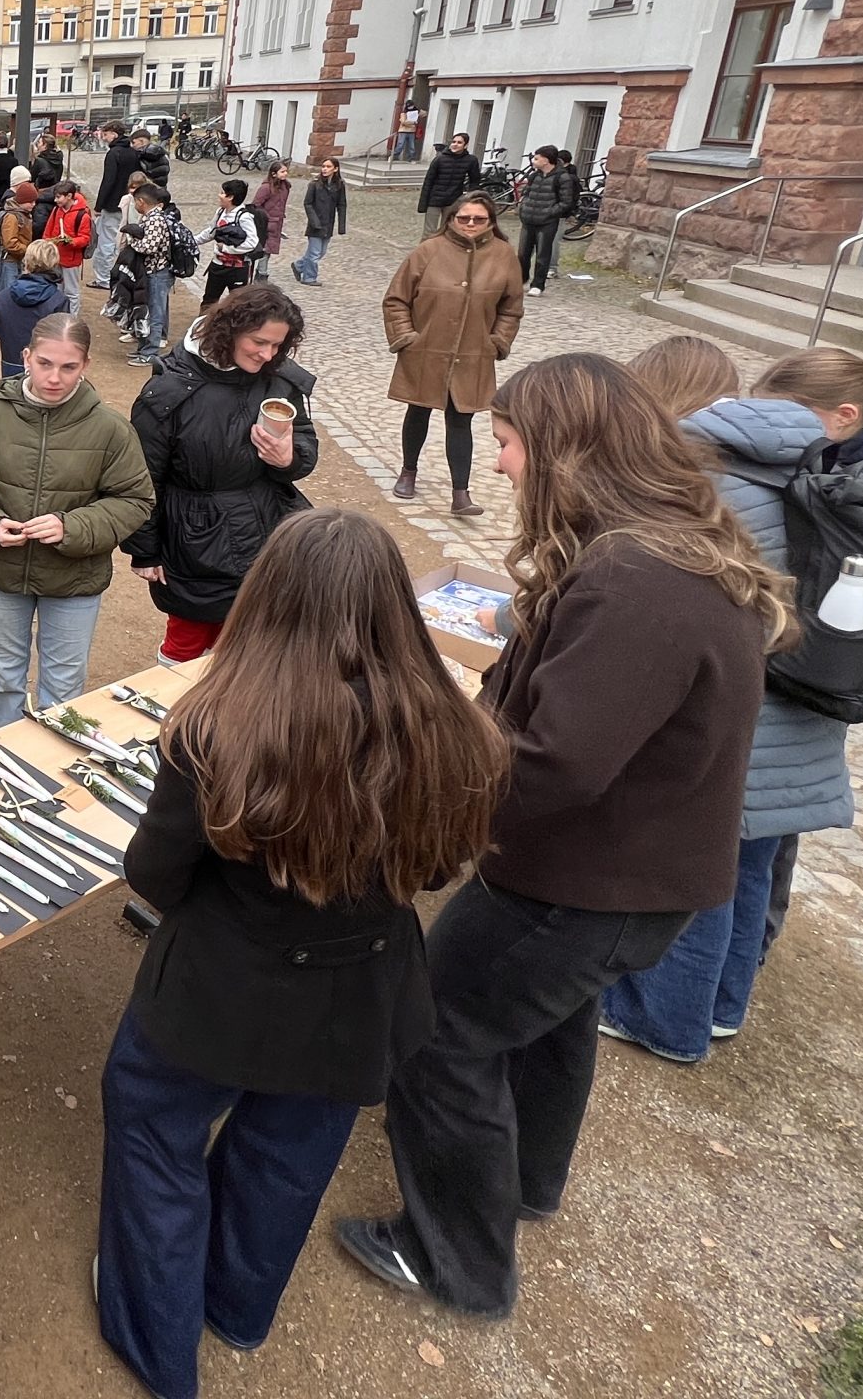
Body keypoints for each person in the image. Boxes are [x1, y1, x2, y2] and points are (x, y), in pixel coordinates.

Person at [338, 353, 791, 1320]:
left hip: (584, 885)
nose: (499, 465)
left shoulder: (636, 579)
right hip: (629, 878)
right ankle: (528, 1181)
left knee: (436, 1032)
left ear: (568, 452)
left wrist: (419, 794)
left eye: (506, 444)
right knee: (549, 1024)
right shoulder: (648, 548)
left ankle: (455, 1258)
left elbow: (554, 763)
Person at [100, 511, 509, 1399]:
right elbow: (438, 865)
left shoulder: (215, 727)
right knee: (288, 1153)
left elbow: (156, 875)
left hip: (219, 992)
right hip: (359, 996)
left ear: (267, 601)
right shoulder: (453, 728)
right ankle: (238, 1309)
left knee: (155, 1137)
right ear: (396, 609)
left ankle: (160, 1345)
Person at [581, 337, 845, 1064]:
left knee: (696, 874)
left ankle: (668, 1021)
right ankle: (724, 1006)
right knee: (750, 865)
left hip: (741, 710)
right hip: (795, 700)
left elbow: (654, 590)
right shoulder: (805, 460)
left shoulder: (703, 477)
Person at [0, 315, 153, 731]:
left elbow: (135, 499)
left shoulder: (110, 430)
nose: (54, 377)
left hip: (75, 578)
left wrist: (70, 528)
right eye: (44, 363)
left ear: (86, 366)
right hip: (1, 572)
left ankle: (54, 770)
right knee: (3, 679)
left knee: (63, 685)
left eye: (68, 367)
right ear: (26, 357)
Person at [125, 280, 317, 669]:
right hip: (195, 535)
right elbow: (141, 478)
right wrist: (144, 549)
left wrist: (289, 458)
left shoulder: (279, 378)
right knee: (189, 638)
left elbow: (306, 442)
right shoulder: (170, 391)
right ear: (230, 330)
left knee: (253, 644)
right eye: (259, 342)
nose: (267, 354)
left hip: (268, 527)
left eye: (278, 345)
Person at [381, 192, 524, 517]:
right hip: (425, 351)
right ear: (452, 219)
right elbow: (396, 299)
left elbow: (511, 308)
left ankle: (461, 493)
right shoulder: (427, 251)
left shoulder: (503, 256)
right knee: (417, 412)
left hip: (474, 355)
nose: (471, 224)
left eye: (479, 219)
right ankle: (408, 472)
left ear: (490, 222)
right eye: (464, 218)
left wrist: (497, 341)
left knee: (461, 421)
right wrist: (407, 337)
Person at [0, 238, 72, 380]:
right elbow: (62, 338)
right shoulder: (59, 300)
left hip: (10, 360)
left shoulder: (3, 296)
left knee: (10, 398)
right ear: (54, 263)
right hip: (44, 364)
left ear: (27, 261)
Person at [122, 183, 183, 367]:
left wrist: (131, 241)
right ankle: (143, 348)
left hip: (157, 273)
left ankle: (150, 353)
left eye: (135, 202)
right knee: (146, 311)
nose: (134, 206)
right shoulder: (150, 217)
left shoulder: (155, 220)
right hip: (150, 273)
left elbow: (149, 247)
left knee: (155, 313)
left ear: (141, 201)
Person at [512, 147, 579, 296]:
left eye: (536, 158)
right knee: (523, 253)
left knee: (543, 253)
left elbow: (566, 201)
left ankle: (538, 284)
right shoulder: (534, 176)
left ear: (546, 160)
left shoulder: (562, 178)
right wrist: (523, 207)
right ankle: (521, 279)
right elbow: (526, 193)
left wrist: (549, 212)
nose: (533, 161)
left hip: (547, 222)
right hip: (528, 219)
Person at [197, 179, 264, 310]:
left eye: (222, 193)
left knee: (238, 305)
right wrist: (191, 241)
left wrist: (227, 248)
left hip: (237, 269)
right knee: (209, 301)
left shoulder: (244, 217)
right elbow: (211, 232)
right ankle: (204, 327)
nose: (219, 195)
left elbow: (252, 242)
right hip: (217, 266)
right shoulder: (220, 212)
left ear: (230, 197)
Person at [94, 119, 142, 280]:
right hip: (130, 202)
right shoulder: (132, 152)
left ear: (114, 134)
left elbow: (108, 181)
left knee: (107, 240)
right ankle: (124, 273)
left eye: (106, 134)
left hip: (113, 203)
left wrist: (99, 205)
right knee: (124, 239)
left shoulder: (114, 153)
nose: (104, 138)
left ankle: (104, 277)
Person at [43, 178, 96, 313]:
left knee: (71, 291)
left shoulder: (82, 215)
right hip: (56, 258)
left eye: (58, 197)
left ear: (69, 196)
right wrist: (48, 242)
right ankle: (59, 315)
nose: (56, 200)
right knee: (58, 289)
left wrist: (71, 241)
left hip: (72, 260)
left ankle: (72, 318)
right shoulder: (56, 211)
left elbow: (85, 238)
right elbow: (48, 231)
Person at [293, 157, 349, 286]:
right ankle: (309, 278)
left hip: (328, 224)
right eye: (323, 166)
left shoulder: (339, 185)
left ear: (335, 169)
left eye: (328, 167)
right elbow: (307, 203)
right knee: (314, 253)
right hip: (315, 224)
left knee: (321, 252)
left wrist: (341, 226)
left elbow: (342, 205)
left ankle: (299, 265)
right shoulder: (315, 184)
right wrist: (314, 221)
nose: (324, 169)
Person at [416, 133, 481, 239]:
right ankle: (425, 253)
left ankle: (444, 253)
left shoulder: (471, 160)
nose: (455, 144)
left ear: (465, 145)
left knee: (447, 231)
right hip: (434, 200)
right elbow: (428, 182)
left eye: (459, 142)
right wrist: (423, 204)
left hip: (453, 200)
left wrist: (469, 199)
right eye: (454, 142)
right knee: (429, 233)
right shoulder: (439, 159)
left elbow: (475, 181)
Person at [249, 168, 291, 282]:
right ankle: (261, 274)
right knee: (265, 249)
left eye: (286, 171)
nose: (285, 173)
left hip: (276, 223)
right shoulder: (266, 188)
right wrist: (265, 218)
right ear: (274, 173)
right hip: (266, 223)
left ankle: (260, 274)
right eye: (282, 171)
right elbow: (256, 205)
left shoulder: (285, 187)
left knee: (268, 249)